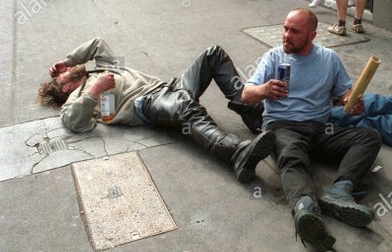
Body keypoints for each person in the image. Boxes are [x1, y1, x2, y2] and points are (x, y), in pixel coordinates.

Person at [38, 38, 274, 183]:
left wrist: (68, 61)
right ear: (66, 87)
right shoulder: (78, 97)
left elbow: (97, 43)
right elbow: (72, 121)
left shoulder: (101, 68)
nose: (61, 72)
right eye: (60, 77)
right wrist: (96, 91)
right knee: (184, 107)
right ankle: (235, 154)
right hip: (146, 104)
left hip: (169, 86)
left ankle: (253, 116)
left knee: (213, 53)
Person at [242, 9, 382, 252]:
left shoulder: (329, 59)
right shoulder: (274, 57)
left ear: (312, 35)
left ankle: (340, 192)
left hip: (319, 128)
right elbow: (245, 95)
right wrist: (264, 90)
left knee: (369, 137)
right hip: (282, 125)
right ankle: (306, 210)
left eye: (294, 31)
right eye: (285, 28)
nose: (286, 35)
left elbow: (345, 92)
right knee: (292, 156)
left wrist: (354, 100)